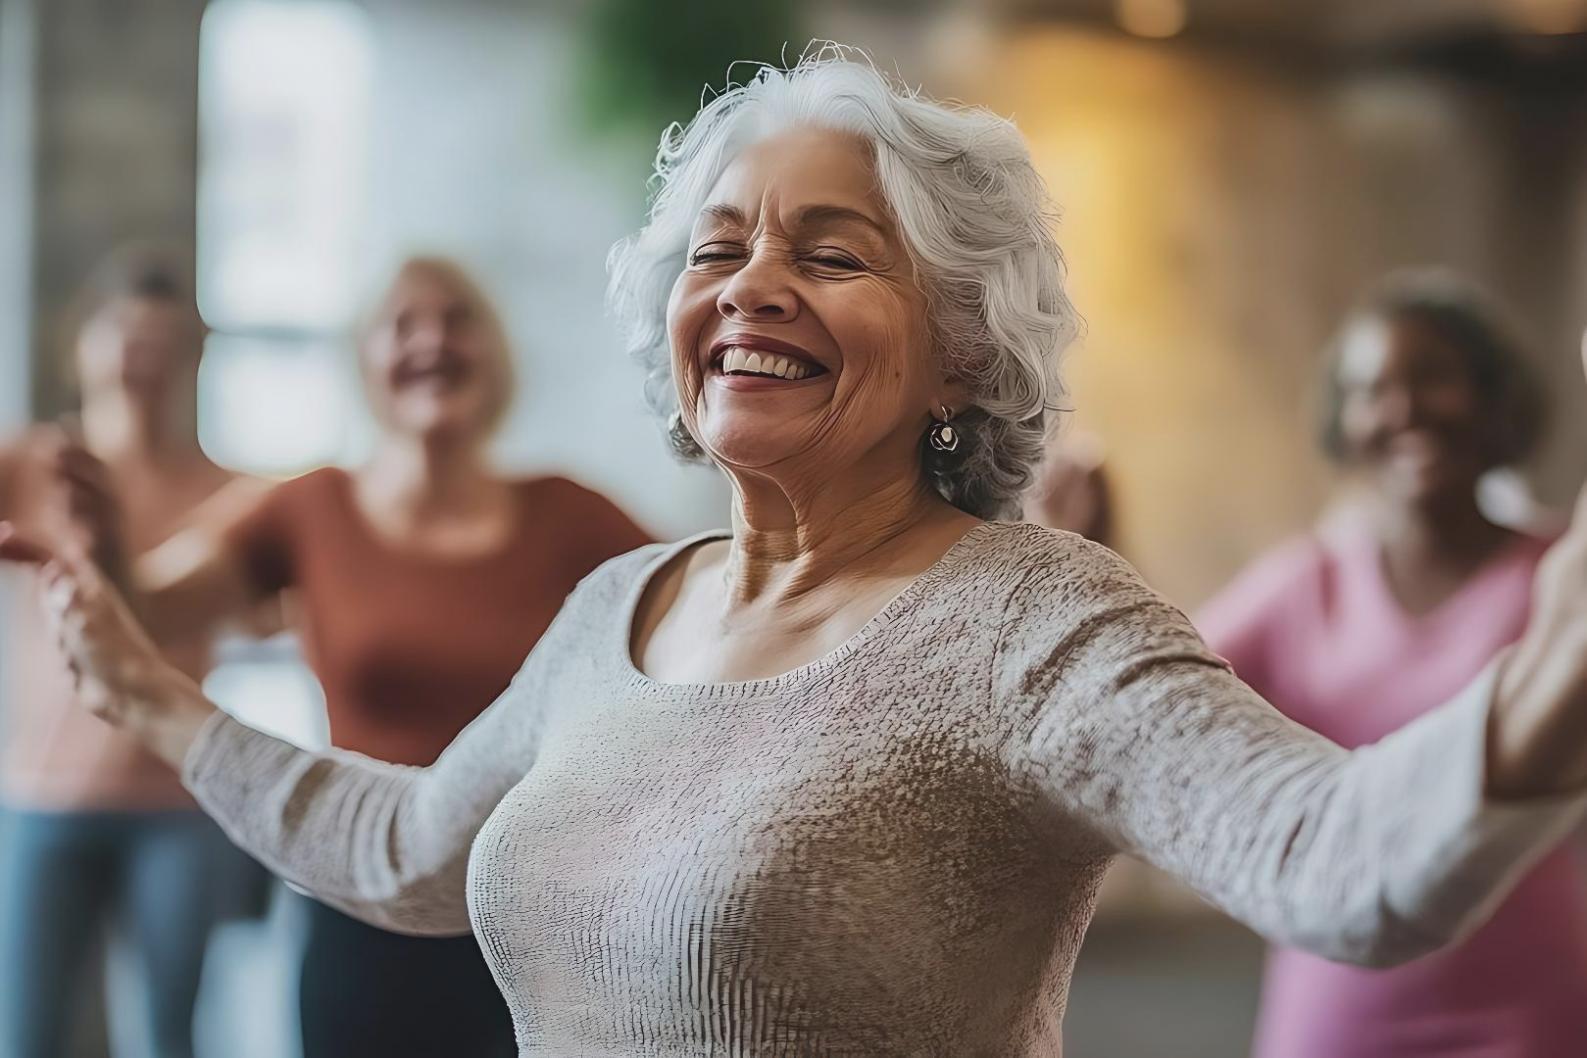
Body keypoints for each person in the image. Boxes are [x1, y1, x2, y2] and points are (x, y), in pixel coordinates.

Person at [8, 52, 1587, 1056]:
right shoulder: (621, 604)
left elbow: (1336, 857)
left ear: (962, 350)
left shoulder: (1034, 620)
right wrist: (151, 696)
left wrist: (1553, 673)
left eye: (830, 254)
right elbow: (415, 847)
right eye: (719, 247)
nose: (753, 283)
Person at [107, 256, 653, 1058]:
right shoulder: (308, 506)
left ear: (493, 356)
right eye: (403, 323)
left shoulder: (572, 515)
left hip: (531, 909)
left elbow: (708, 627)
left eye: (456, 319)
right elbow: (147, 608)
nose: (432, 339)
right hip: (355, 900)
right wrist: (90, 545)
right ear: (363, 360)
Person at [1198, 273, 1587, 1058]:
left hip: (1530, 999)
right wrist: (1093, 557)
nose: (1402, 409)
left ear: (1491, 399)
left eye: (1432, 379)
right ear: (1343, 419)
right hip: (1337, 998)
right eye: (1372, 389)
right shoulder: (1302, 582)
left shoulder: (1557, 573)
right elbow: (1164, 707)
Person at [0, 248, 254, 1058]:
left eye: (162, 338)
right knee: (27, 1032)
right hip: (42, 797)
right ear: (83, 348)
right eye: (122, 333)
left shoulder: (228, 496)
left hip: (176, 804)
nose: (140, 354)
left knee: (167, 1035)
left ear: (193, 356)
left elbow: (276, 619)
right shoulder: (32, 464)